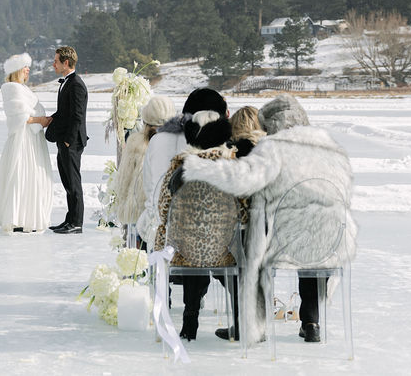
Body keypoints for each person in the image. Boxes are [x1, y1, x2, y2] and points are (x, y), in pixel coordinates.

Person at [179, 94, 358, 345]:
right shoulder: (330, 147)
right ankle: (311, 320)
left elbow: (246, 181)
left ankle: (252, 325)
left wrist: (199, 168)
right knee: (314, 234)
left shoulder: (274, 150)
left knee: (255, 250)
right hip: (334, 240)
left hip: (285, 243)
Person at [154, 109, 234, 341]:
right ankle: (241, 318)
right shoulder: (231, 165)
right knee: (233, 259)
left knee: (191, 249)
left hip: (187, 250)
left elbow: (164, 209)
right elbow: (242, 211)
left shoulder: (180, 165)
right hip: (223, 248)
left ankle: (190, 323)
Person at [138, 87, 227, 248]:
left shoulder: (158, 141)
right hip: (214, 240)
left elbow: (149, 187)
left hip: (163, 231)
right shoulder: (220, 147)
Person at [0, 53, 54, 233]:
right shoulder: (11, 88)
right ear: (16, 70)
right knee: (21, 176)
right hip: (23, 139)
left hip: (33, 139)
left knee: (33, 177)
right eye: (25, 66)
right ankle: (17, 217)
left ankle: (28, 218)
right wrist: (40, 120)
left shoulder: (23, 88)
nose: (28, 69)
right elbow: (19, 117)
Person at [113, 95, 177, 230]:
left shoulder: (136, 141)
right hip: (170, 212)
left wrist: (123, 204)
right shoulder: (178, 142)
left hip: (139, 211)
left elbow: (124, 179)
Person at [44, 45, 88, 234]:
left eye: (56, 61)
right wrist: (48, 120)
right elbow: (64, 112)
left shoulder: (76, 84)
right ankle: (70, 220)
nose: (53, 65)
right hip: (64, 140)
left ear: (66, 63)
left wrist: (69, 141)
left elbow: (77, 116)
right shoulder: (67, 82)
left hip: (72, 142)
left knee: (73, 182)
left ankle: (76, 223)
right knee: (67, 182)